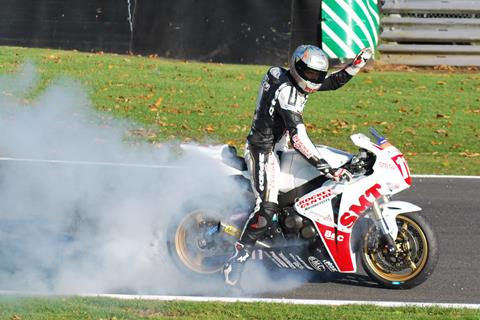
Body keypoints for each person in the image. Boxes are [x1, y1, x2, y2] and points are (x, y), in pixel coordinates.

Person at [223, 45, 373, 286]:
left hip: (281, 148)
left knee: (312, 185)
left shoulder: (283, 75)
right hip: (263, 150)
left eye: (317, 75)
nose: (314, 80)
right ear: (298, 69)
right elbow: (299, 138)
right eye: (311, 74)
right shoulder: (286, 93)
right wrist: (327, 168)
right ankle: (238, 258)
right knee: (267, 207)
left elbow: (330, 83)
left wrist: (355, 66)